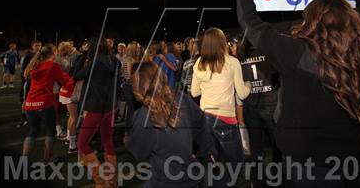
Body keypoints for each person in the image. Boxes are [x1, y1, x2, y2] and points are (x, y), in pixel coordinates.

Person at [233, 0, 360, 187]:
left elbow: (252, 26)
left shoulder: (297, 53)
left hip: (305, 164)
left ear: (314, 23)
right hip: (350, 160)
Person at [126, 61, 217, 188]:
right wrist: (207, 153)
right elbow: (201, 123)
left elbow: (139, 152)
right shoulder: (180, 98)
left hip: (166, 180)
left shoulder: (143, 117)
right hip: (193, 176)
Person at [191, 27, 251, 187]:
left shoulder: (199, 63)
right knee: (236, 161)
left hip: (204, 118)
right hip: (225, 120)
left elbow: (194, 92)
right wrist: (249, 84)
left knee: (213, 160)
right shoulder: (232, 62)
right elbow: (243, 94)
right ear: (222, 42)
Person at [76, 38, 121, 188]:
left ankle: (101, 181)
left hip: (96, 107)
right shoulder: (114, 61)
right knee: (107, 141)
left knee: (82, 144)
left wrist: (84, 56)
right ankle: (112, 180)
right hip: (111, 106)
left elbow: (76, 74)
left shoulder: (94, 62)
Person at [237, 34, 281, 187]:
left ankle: (259, 181)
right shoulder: (268, 53)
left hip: (251, 106)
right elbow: (278, 75)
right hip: (270, 104)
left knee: (257, 147)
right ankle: (279, 176)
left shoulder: (240, 59)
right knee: (278, 144)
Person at [21, 44, 72, 163]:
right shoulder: (53, 66)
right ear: (53, 53)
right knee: (50, 131)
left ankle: (23, 159)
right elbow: (63, 82)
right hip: (45, 102)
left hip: (30, 103)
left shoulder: (34, 65)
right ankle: (47, 158)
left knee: (33, 131)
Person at [17, 40, 42, 128]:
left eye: (39, 45)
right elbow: (23, 70)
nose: (38, 47)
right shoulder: (28, 56)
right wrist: (27, 80)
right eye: (36, 45)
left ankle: (34, 117)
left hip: (39, 83)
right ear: (32, 46)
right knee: (25, 100)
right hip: (29, 82)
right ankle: (23, 118)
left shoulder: (42, 56)